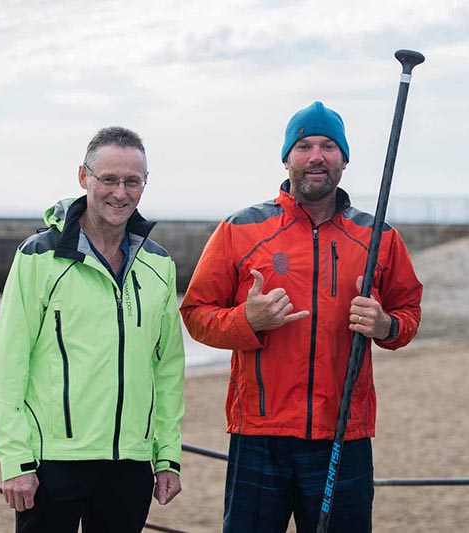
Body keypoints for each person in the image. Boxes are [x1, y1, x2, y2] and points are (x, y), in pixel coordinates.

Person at [180, 101, 422, 532]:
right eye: (304, 145)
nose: (316, 156)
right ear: (286, 157)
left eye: (328, 146)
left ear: (344, 160)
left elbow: (409, 314)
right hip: (259, 433)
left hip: (343, 433)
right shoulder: (240, 229)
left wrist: (385, 326)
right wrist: (247, 321)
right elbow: (196, 315)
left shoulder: (379, 236)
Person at [0, 126, 186, 533]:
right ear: (84, 178)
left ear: (145, 183)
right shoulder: (39, 257)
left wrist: (167, 456)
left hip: (130, 464)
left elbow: (166, 370)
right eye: (108, 179)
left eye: (133, 181)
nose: (120, 193)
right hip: (52, 463)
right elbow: (6, 364)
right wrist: (16, 460)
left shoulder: (159, 264)